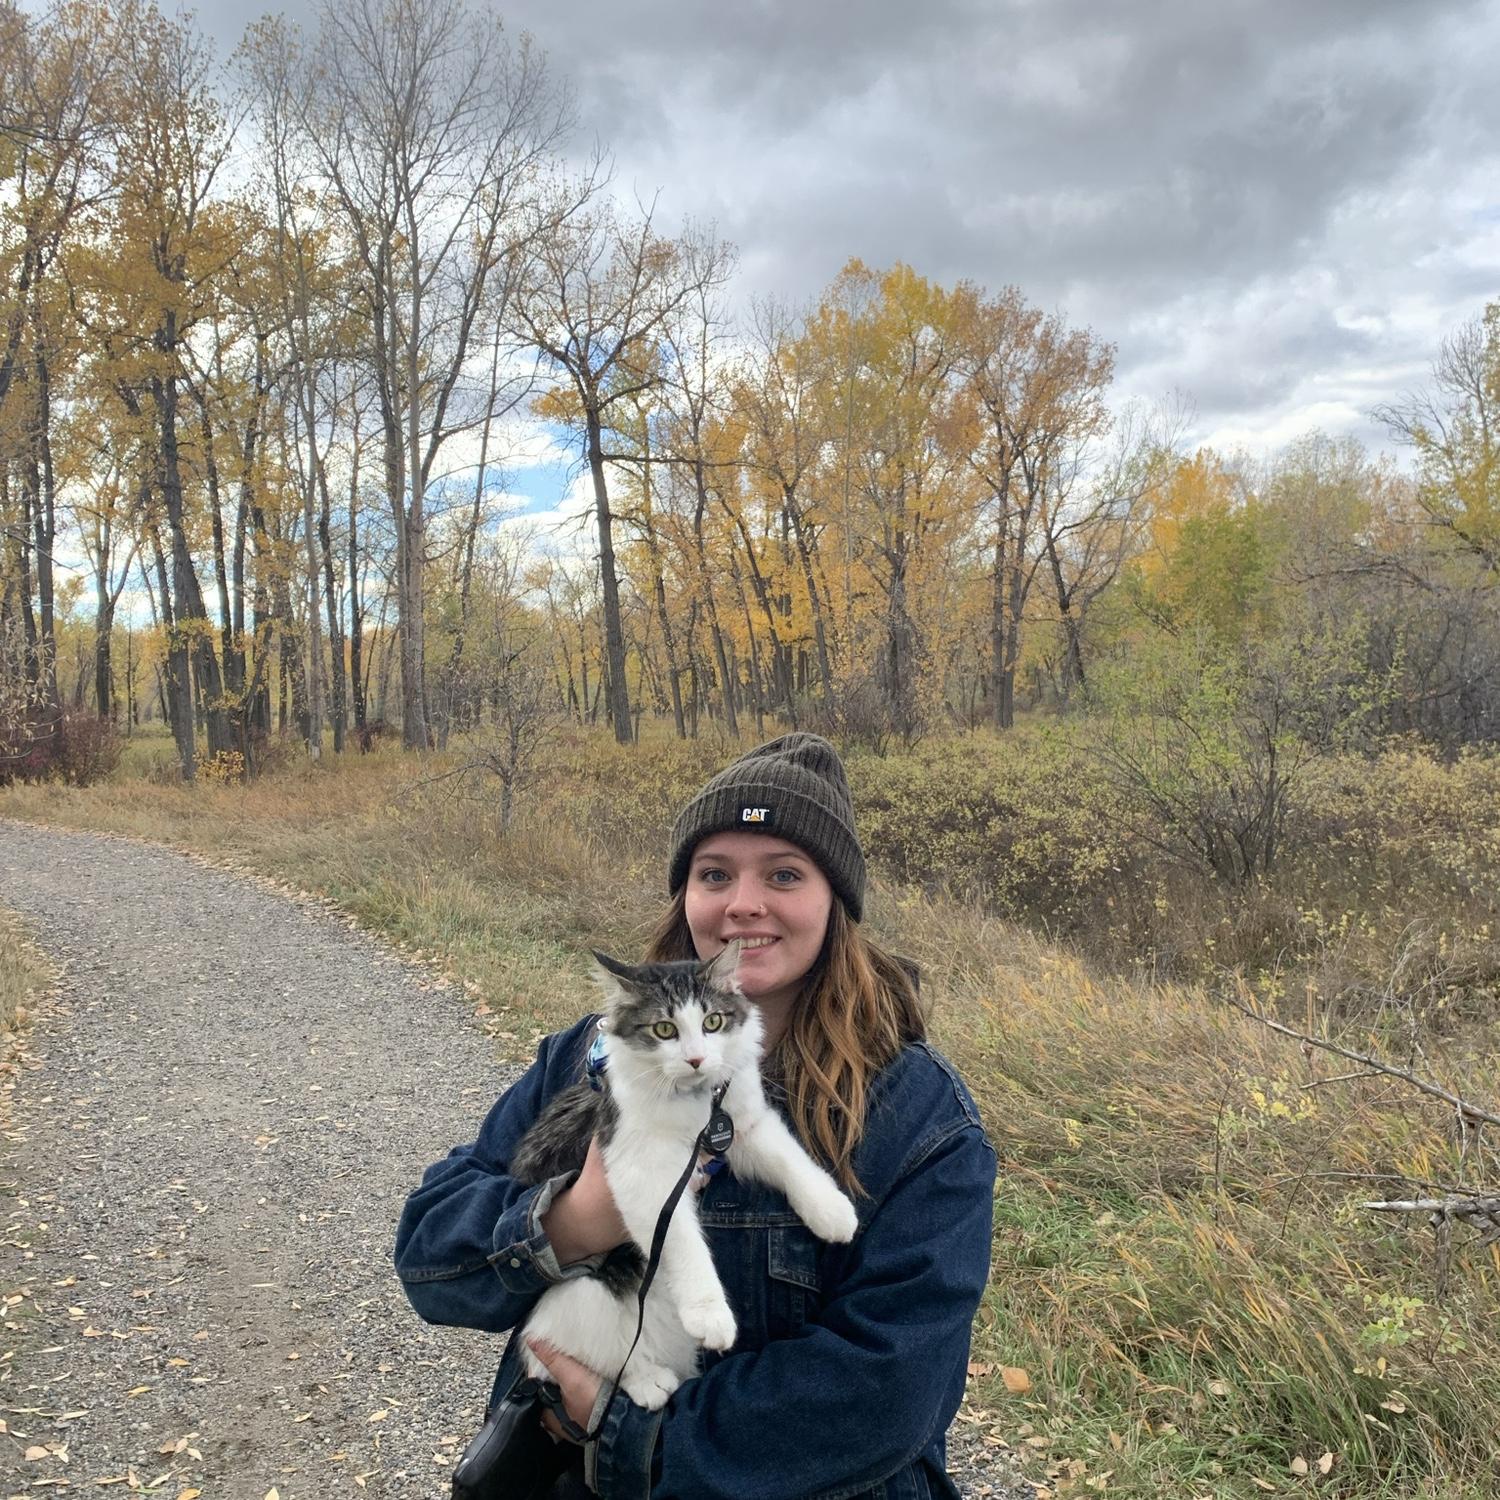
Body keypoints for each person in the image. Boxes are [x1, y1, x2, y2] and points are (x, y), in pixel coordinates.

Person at [395, 733, 997, 1499]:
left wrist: (630, 1433)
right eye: (715, 874)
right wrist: (577, 1221)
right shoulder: (587, 1056)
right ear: (687, 896)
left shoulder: (919, 1115)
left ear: (835, 902)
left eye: (784, 873)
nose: (743, 903)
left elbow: (890, 1389)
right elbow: (429, 1261)